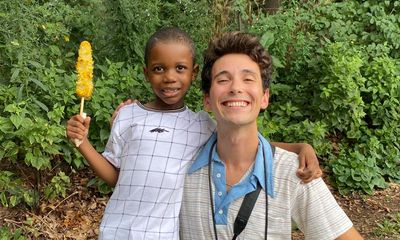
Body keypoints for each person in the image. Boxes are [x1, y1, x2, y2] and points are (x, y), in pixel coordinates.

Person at [66, 27, 321, 240]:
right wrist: (83, 143)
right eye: (158, 69)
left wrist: (299, 148)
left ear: (194, 72)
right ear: (146, 73)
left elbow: (243, 143)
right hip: (115, 231)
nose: (169, 77)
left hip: (164, 235)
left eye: (179, 68)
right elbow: (116, 177)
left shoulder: (200, 124)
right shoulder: (127, 116)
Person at [179, 32, 363, 239]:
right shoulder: (179, 162)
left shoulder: (295, 172)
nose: (236, 88)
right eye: (223, 80)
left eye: (248, 79)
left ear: (265, 97)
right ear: (207, 100)